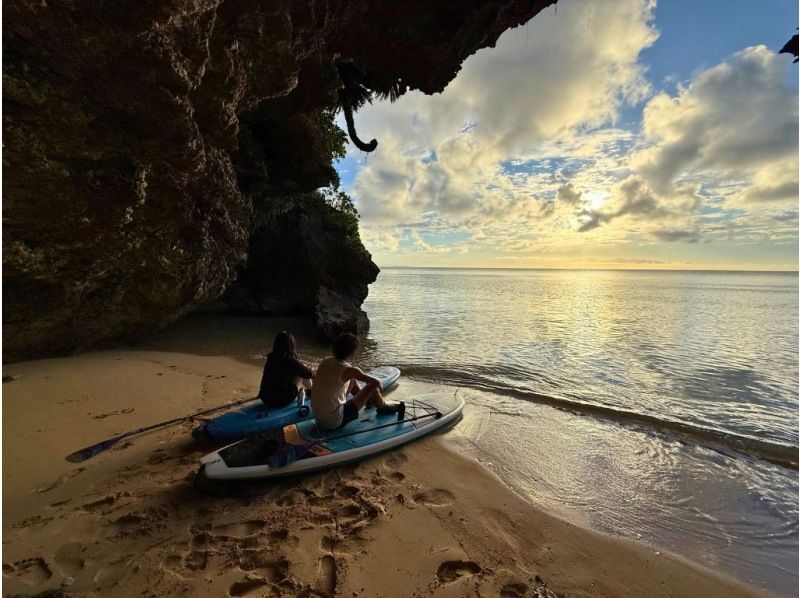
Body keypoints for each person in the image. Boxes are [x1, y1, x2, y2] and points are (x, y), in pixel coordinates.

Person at [311, 333, 403, 430]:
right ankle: (383, 408)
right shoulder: (350, 370)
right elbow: (377, 383)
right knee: (372, 386)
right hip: (334, 422)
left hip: (319, 419)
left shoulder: (325, 361)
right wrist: (375, 390)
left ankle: (368, 402)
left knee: (352, 380)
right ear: (352, 351)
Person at [258, 331, 313, 409]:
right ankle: (311, 393)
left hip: (264, 398)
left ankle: (309, 392)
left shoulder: (270, 358)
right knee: (301, 374)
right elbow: (309, 374)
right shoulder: (291, 361)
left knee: (293, 373)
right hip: (280, 401)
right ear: (291, 346)